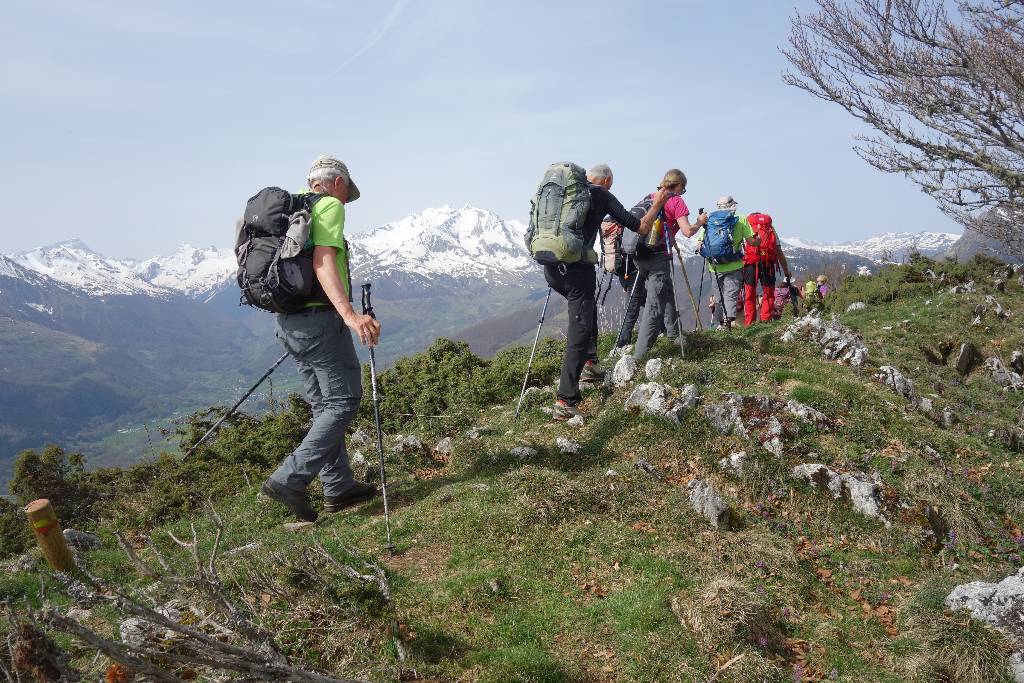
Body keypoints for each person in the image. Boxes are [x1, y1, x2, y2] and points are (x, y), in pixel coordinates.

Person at [260, 155, 382, 522]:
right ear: (339, 183)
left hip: (288, 322)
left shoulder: (287, 210)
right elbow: (323, 261)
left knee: (323, 407)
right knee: (344, 400)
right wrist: (349, 315)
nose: (346, 201)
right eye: (347, 193)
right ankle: (289, 478)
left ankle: (339, 487)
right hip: (320, 321)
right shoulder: (327, 205)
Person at [548, 164, 667, 421]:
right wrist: (658, 202)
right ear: (608, 180)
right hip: (578, 270)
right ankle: (565, 399)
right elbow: (641, 227)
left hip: (551, 268)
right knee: (578, 330)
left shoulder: (564, 195)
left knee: (585, 311)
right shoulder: (601, 195)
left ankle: (590, 364)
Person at [632, 169, 709, 360]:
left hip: (638, 255)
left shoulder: (649, 197)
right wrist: (700, 222)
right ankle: (638, 357)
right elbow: (687, 231)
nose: (683, 192)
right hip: (658, 256)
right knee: (654, 305)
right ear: (679, 185)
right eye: (684, 188)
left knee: (666, 292)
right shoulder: (675, 200)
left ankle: (675, 334)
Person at [689, 195, 759, 328]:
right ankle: (728, 321)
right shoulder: (741, 219)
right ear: (733, 205)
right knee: (730, 294)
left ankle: (718, 324)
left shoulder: (709, 220)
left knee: (718, 296)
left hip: (714, 265)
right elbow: (752, 242)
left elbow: (699, 243)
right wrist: (759, 240)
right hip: (734, 264)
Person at [742, 213, 792, 325]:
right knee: (768, 293)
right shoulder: (771, 230)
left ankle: (749, 323)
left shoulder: (747, 228)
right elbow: (779, 252)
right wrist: (786, 271)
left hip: (750, 264)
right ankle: (766, 320)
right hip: (767, 264)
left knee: (750, 294)